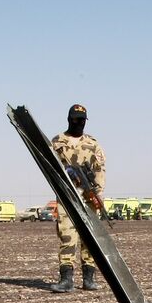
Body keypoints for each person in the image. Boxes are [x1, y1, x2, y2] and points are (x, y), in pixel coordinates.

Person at [49, 104, 107, 293]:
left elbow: (99, 169)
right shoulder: (57, 142)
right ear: (69, 119)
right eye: (76, 119)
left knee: (89, 238)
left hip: (88, 196)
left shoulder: (93, 143)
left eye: (82, 120)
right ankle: (66, 279)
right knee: (67, 236)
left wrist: (99, 194)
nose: (79, 123)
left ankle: (88, 279)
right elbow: (50, 166)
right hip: (67, 196)